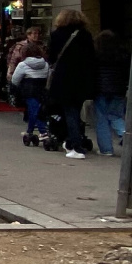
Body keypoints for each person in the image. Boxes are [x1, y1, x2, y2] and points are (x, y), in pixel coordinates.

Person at [46, 8, 97, 157]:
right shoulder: (86, 35)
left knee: (69, 112)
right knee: (75, 111)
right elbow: (92, 57)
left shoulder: (57, 35)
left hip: (63, 79)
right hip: (82, 79)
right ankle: (72, 139)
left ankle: (76, 146)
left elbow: (51, 57)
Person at [94, 29, 131, 156]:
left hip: (100, 88)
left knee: (101, 118)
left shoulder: (96, 54)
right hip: (118, 88)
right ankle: (125, 134)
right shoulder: (122, 54)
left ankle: (106, 149)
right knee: (116, 115)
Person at [9, 44, 51, 145]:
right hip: (42, 91)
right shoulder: (45, 64)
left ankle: (42, 132)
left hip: (29, 91)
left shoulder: (23, 65)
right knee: (38, 110)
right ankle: (30, 131)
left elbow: (15, 80)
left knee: (34, 111)